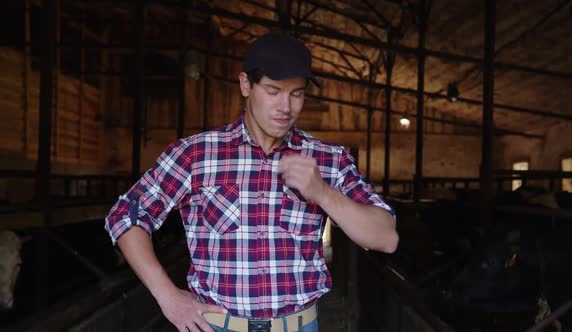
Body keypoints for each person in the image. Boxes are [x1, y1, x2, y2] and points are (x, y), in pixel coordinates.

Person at [105, 31, 398, 332]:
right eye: (273, 91)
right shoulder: (196, 154)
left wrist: (322, 193)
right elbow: (126, 215)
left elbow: (386, 238)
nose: (286, 106)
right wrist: (167, 296)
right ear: (246, 85)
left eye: (296, 93)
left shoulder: (328, 159)